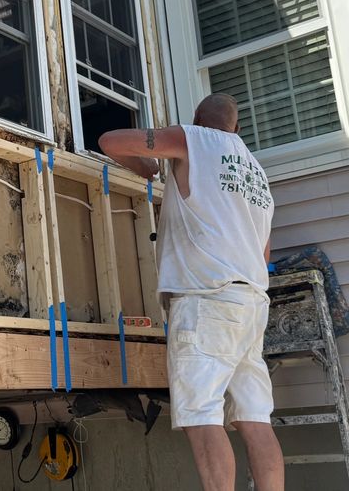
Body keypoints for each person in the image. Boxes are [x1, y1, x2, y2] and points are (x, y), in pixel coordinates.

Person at [98, 93, 282, 491]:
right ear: (238, 128)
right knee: (255, 419)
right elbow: (262, 253)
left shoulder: (192, 138)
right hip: (251, 304)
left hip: (208, 300)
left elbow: (110, 141)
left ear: (196, 119)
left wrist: (148, 166)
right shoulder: (258, 176)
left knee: (201, 417)